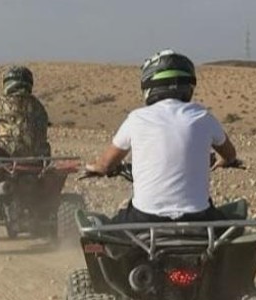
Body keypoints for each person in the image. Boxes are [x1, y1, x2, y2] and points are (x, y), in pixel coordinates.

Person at [84, 49, 238, 222]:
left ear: (148, 84)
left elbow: (106, 164)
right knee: (233, 222)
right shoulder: (203, 116)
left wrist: (95, 167)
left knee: (103, 228)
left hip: (145, 218)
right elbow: (230, 154)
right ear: (189, 85)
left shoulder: (137, 118)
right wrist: (224, 161)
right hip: (198, 218)